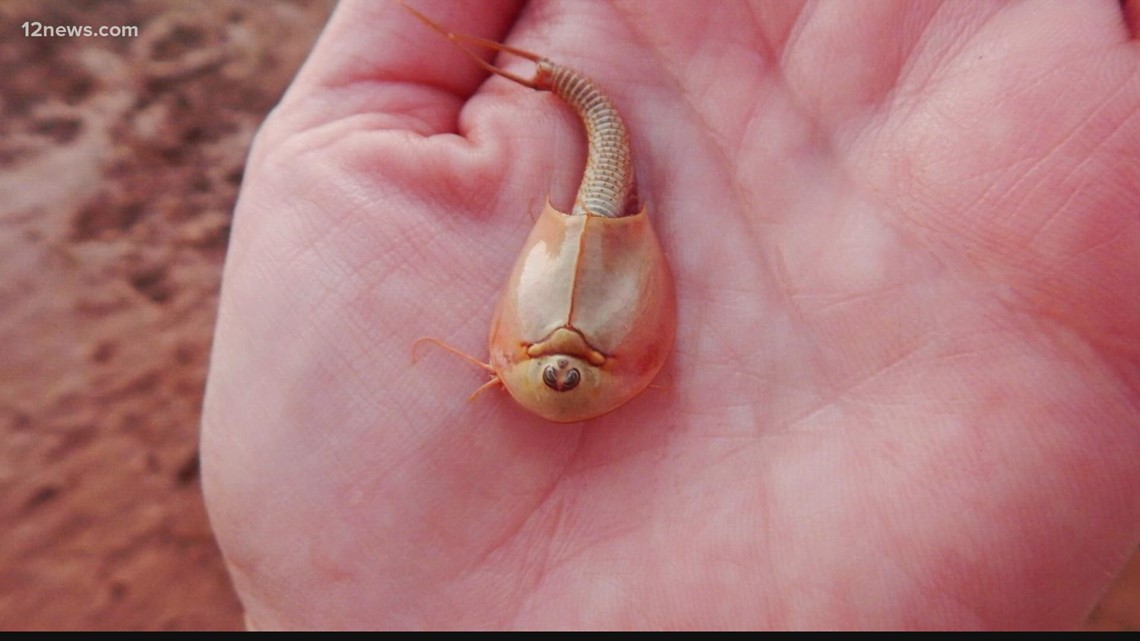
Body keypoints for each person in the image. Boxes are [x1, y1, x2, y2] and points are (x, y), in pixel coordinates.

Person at [201, 0, 1140, 629]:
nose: (556, 366)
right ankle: (567, 87)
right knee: (597, 127)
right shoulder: (569, 365)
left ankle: (566, 86)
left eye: (552, 368)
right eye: (554, 371)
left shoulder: (551, 366)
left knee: (597, 124)